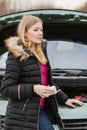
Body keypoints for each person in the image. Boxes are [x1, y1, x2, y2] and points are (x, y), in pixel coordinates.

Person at [0, 15, 83, 130]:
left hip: (41, 111)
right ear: (25, 32)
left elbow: (48, 82)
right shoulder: (16, 55)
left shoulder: (41, 53)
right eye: (35, 30)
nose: (40, 33)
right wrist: (33, 88)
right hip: (21, 117)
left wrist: (65, 99)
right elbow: (6, 89)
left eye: (41, 30)